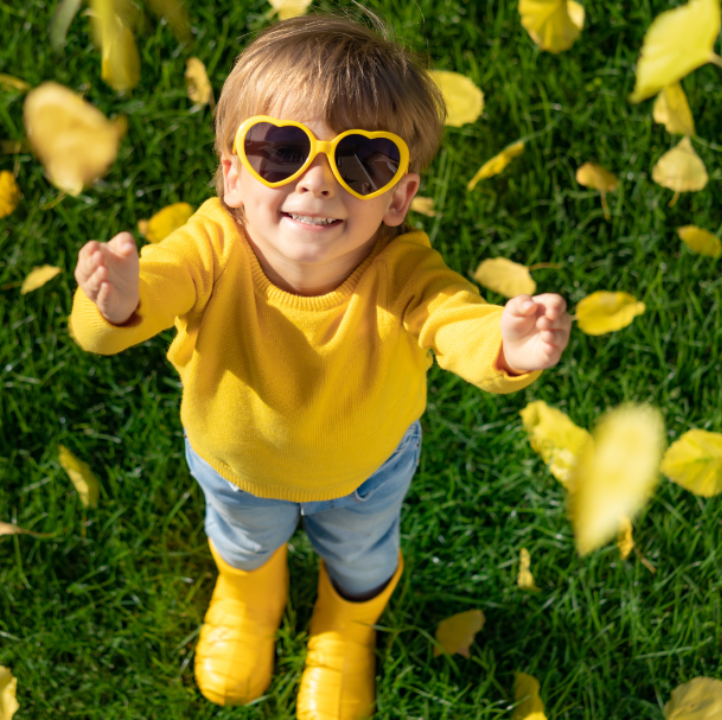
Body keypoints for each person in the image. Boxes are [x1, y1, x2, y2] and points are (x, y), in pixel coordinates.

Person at [69, 12, 572, 719]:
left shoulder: (402, 270)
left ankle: (346, 627)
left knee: (364, 559)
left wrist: (507, 346)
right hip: (237, 468)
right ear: (233, 176)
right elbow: (143, 299)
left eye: (363, 160)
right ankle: (252, 596)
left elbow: (454, 320)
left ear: (398, 196)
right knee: (242, 544)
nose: (316, 181)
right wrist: (118, 299)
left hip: (366, 474)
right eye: (280, 150)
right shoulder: (212, 246)